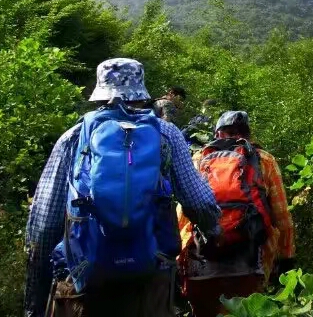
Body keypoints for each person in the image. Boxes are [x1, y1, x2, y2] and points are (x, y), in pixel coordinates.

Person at [24, 59, 222, 317]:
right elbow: (199, 202)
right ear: (141, 91)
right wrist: (213, 232)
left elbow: (43, 225)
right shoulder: (167, 135)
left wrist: (34, 301)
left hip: (83, 279)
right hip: (149, 278)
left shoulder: (73, 137)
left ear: (99, 92)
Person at [178, 111, 296, 317]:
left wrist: (178, 261)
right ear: (248, 134)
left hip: (201, 263)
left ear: (217, 133)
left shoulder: (198, 160)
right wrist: (286, 260)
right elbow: (282, 219)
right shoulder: (264, 160)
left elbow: (183, 217)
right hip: (250, 264)